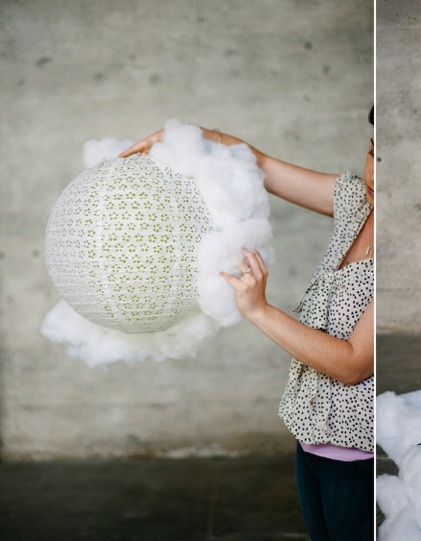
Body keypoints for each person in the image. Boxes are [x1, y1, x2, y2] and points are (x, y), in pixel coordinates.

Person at [119, 107, 375, 541]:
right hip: (310, 436)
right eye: (375, 153)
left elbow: (353, 364)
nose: (377, 174)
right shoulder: (358, 204)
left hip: (357, 456)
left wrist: (258, 308)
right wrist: (185, 137)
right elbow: (260, 163)